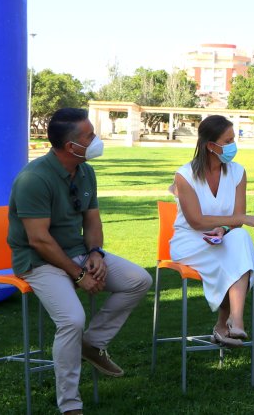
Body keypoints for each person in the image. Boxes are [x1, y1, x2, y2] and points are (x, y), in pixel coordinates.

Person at [8, 108, 152, 415]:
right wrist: (78, 274)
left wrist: (95, 253)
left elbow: (92, 219)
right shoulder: (33, 179)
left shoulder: (86, 170)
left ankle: (92, 344)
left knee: (139, 280)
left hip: (77, 253)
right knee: (72, 320)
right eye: (89, 136)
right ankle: (70, 405)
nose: (96, 140)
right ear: (70, 146)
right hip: (38, 260)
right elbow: (39, 240)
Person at [169, 115, 254, 347]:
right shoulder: (184, 175)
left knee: (241, 237)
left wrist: (224, 228)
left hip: (221, 239)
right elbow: (195, 221)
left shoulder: (238, 172)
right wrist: (241, 219)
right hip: (189, 242)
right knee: (237, 258)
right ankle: (224, 324)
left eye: (234, 139)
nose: (234, 146)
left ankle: (235, 319)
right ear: (210, 146)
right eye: (228, 140)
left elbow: (237, 221)